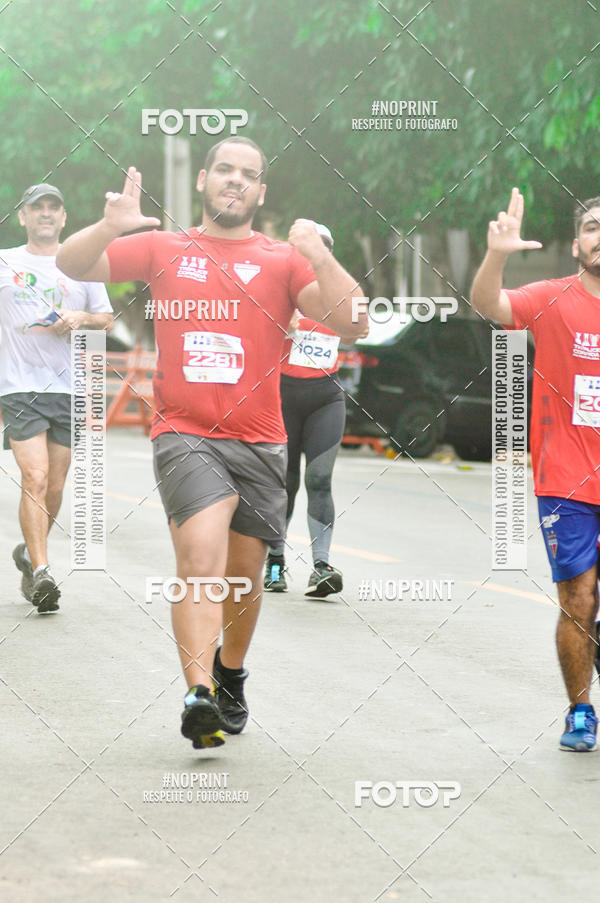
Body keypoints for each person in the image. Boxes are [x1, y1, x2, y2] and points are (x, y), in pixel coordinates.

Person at [56, 137, 366, 749]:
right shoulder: (163, 247)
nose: (235, 181)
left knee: (245, 580)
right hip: (185, 432)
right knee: (200, 560)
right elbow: (71, 263)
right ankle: (198, 692)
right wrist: (107, 226)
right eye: (224, 170)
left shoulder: (281, 260)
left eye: (248, 174)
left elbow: (354, 320)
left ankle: (230, 672)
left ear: (261, 192)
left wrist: (319, 255)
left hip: (261, 440)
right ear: (202, 180)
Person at [471, 187, 600, 751]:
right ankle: (580, 711)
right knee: (579, 596)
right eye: (593, 226)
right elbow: (489, 305)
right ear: (577, 244)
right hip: (566, 478)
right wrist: (497, 253)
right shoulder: (551, 297)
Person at [0, 183, 113, 612]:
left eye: (53, 207)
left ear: (64, 218)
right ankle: (45, 571)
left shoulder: (83, 265)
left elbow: (105, 317)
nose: (45, 213)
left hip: (69, 387)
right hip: (18, 384)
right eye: (37, 207)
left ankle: (30, 555)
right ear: (23, 216)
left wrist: (82, 317)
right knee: (36, 477)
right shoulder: (5, 261)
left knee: (56, 486)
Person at [265, 224, 350, 598]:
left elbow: (360, 325)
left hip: (325, 397)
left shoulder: (338, 293)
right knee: (283, 483)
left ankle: (321, 566)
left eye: (323, 248)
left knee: (319, 479)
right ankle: (274, 562)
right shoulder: (279, 293)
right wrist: (276, 323)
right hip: (282, 396)